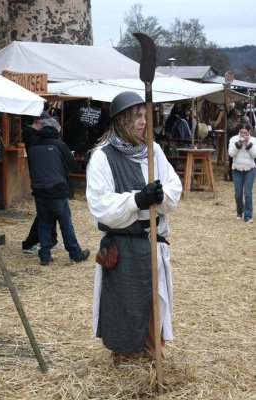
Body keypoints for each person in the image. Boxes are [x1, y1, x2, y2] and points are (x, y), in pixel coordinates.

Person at [86, 91, 182, 358]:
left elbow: (175, 186)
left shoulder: (153, 151)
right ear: (120, 120)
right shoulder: (102, 157)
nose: (143, 122)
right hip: (124, 244)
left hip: (152, 241)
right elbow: (100, 205)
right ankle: (124, 351)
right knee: (124, 301)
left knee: (154, 300)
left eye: (144, 116)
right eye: (136, 116)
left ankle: (153, 349)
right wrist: (136, 200)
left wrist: (161, 196)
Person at [26, 113, 90, 265]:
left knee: (44, 223)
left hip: (39, 190)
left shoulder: (32, 145)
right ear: (56, 130)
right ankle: (75, 253)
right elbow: (72, 164)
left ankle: (45, 256)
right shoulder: (59, 145)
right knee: (66, 224)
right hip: (57, 190)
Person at [22, 111, 58, 254]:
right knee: (44, 214)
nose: (48, 127)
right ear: (38, 121)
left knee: (50, 211)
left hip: (44, 178)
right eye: (46, 124)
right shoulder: (32, 137)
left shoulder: (34, 135)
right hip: (40, 179)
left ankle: (51, 239)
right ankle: (29, 243)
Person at [228, 122, 256, 223]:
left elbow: (255, 154)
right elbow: (231, 154)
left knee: (248, 193)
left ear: (249, 132)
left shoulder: (254, 140)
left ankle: (248, 216)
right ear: (239, 131)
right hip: (237, 170)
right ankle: (240, 212)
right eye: (241, 132)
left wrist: (248, 144)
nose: (243, 135)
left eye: (245, 132)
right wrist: (239, 143)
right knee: (238, 194)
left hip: (250, 169)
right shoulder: (233, 139)